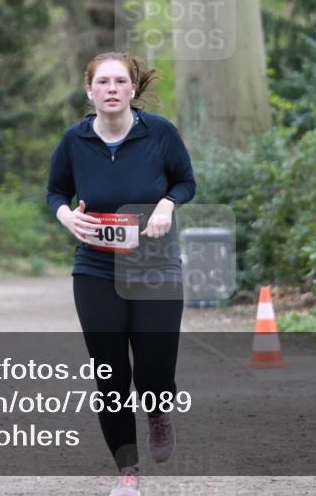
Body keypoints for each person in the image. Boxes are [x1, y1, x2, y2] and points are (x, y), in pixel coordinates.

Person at [47, 52, 196, 496]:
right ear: (89, 91)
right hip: (95, 267)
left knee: (153, 368)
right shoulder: (75, 141)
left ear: (133, 89)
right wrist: (66, 216)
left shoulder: (160, 133)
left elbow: (185, 182)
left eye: (120, 81)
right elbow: (56, 190)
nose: (111, 89)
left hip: (154, 265)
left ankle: (158, 408)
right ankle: (127, 472)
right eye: (103, 82)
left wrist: (168, 205)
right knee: (110, 373)